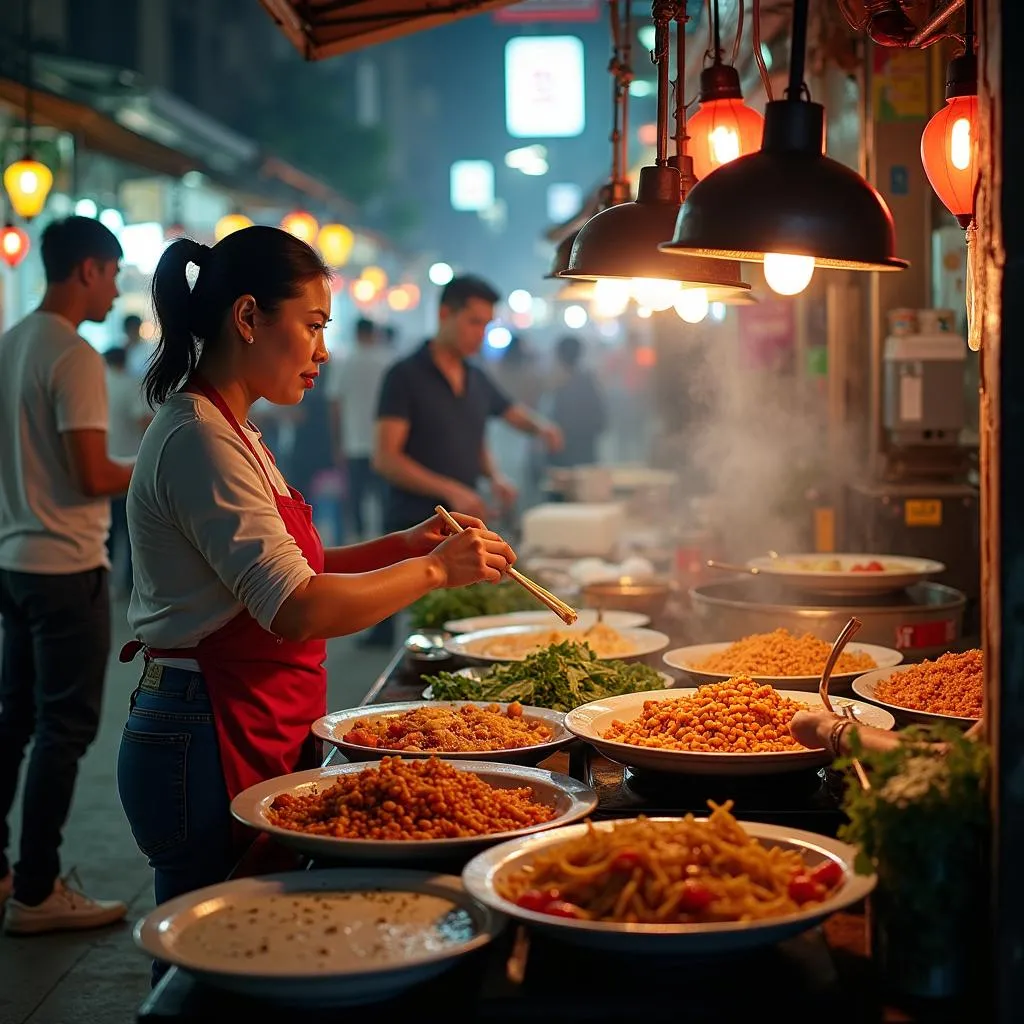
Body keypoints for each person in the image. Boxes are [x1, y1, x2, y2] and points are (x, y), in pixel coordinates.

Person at [115, 228, 514, 955]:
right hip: (202, 734)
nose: (322, 351)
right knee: (210, 959)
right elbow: (295, 607)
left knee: (257, 944)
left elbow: (299, 564)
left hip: (245, 719)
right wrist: (434, 572)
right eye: (313, 325)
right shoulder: (198, 438)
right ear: (248, 318)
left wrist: (403, 546)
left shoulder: (238, 431)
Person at [0, 216, 133, 934]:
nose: (114, 290)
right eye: (112, 274)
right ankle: (38, 889)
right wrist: (153, 470)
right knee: (64, 728)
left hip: (14, 561)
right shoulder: (73, 354)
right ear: (88, 270)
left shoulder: (11, 342)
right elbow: (90, 473)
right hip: (67, 564)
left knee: (14, 720)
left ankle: (3, 871)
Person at [367, 275, 562, 646]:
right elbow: (385, 458)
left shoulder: (475, 377)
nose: (481, 333)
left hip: (461, 530)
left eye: (487, 324)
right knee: (420, 637)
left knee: (457, 631)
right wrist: (450, 490)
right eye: (474, 322)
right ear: (445, 314)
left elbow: (491, 425)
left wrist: (498, 473)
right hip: (413, 529)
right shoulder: (405, 375)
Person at [326, 318, 390, 540]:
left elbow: (335, 406)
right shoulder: (386, 363)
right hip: (383, 445)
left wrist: (337, 443)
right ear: (373, 334)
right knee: (384, 502)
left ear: (356, 334)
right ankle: (388, 546)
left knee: (356, 501)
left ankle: (361, 545)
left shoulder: (346, 363)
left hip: (353, 443)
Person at [104, 345, 151, 597]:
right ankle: (131, 585)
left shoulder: (97, 385)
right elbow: (142, 420)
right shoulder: (129, 385)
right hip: (130, 466)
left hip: (103, 464)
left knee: (108, 531)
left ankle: (106, 582)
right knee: (132, 529)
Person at [545, 335, 608, 468]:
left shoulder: (562, 384)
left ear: (559, 356)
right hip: (584, 453)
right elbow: (601, 420)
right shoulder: (588, 381)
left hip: (565, 454)